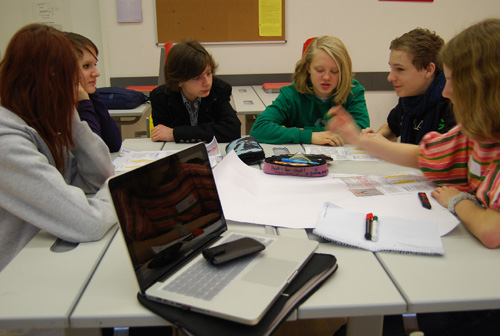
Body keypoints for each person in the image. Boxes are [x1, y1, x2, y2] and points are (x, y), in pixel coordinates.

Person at [331, 19, 500, 336]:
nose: (446, 92)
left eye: (453, 81)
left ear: (483, 86)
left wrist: (459, 201)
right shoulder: (476, 130)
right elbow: (426, 155)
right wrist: (362, 140)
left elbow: (492, 230)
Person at [0, 23, 117, 272]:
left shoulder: (42, 121)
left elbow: (96, 178)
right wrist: (120, 191)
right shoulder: (6, 141)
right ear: (49, 80)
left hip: (41, 255)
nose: (77, 86)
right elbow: (88, 222)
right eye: (71, 78)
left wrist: (70, 117)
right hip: (13, 279)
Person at [249, 36, 369, 146]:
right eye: (320, 70)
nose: (326, 77)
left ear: (343, 71)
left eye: (334, 71)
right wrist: (310, 136)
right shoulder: (292, 94)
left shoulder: (353, 91)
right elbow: (259, 128)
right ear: (308, 68)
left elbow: (360, 130)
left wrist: (303, 130)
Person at [369, 28, 455, 144]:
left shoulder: (452, 103)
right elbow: (392, 126)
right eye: (391, 68)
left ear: (428, 70)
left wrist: (382, 145)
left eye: (400, 69)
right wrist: (374, 138)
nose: (390, 77)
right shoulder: (409, 98)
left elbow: (435, 153)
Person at [149, 39, 241, 143]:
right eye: (197, 78)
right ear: (179, 80)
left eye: (209, 73)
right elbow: (161, 136)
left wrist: (176, 133)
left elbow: (232, 130)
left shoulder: (219, 90)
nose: (207, 83)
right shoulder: (161, 97)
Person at [66, 32, 122, 152]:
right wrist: (84, 102)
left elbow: (113, 143)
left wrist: (92, 95)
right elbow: (95, 153)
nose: (96, 73)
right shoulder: (61, 108)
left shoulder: (86, 95)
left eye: (95, 65)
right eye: (86, 66)